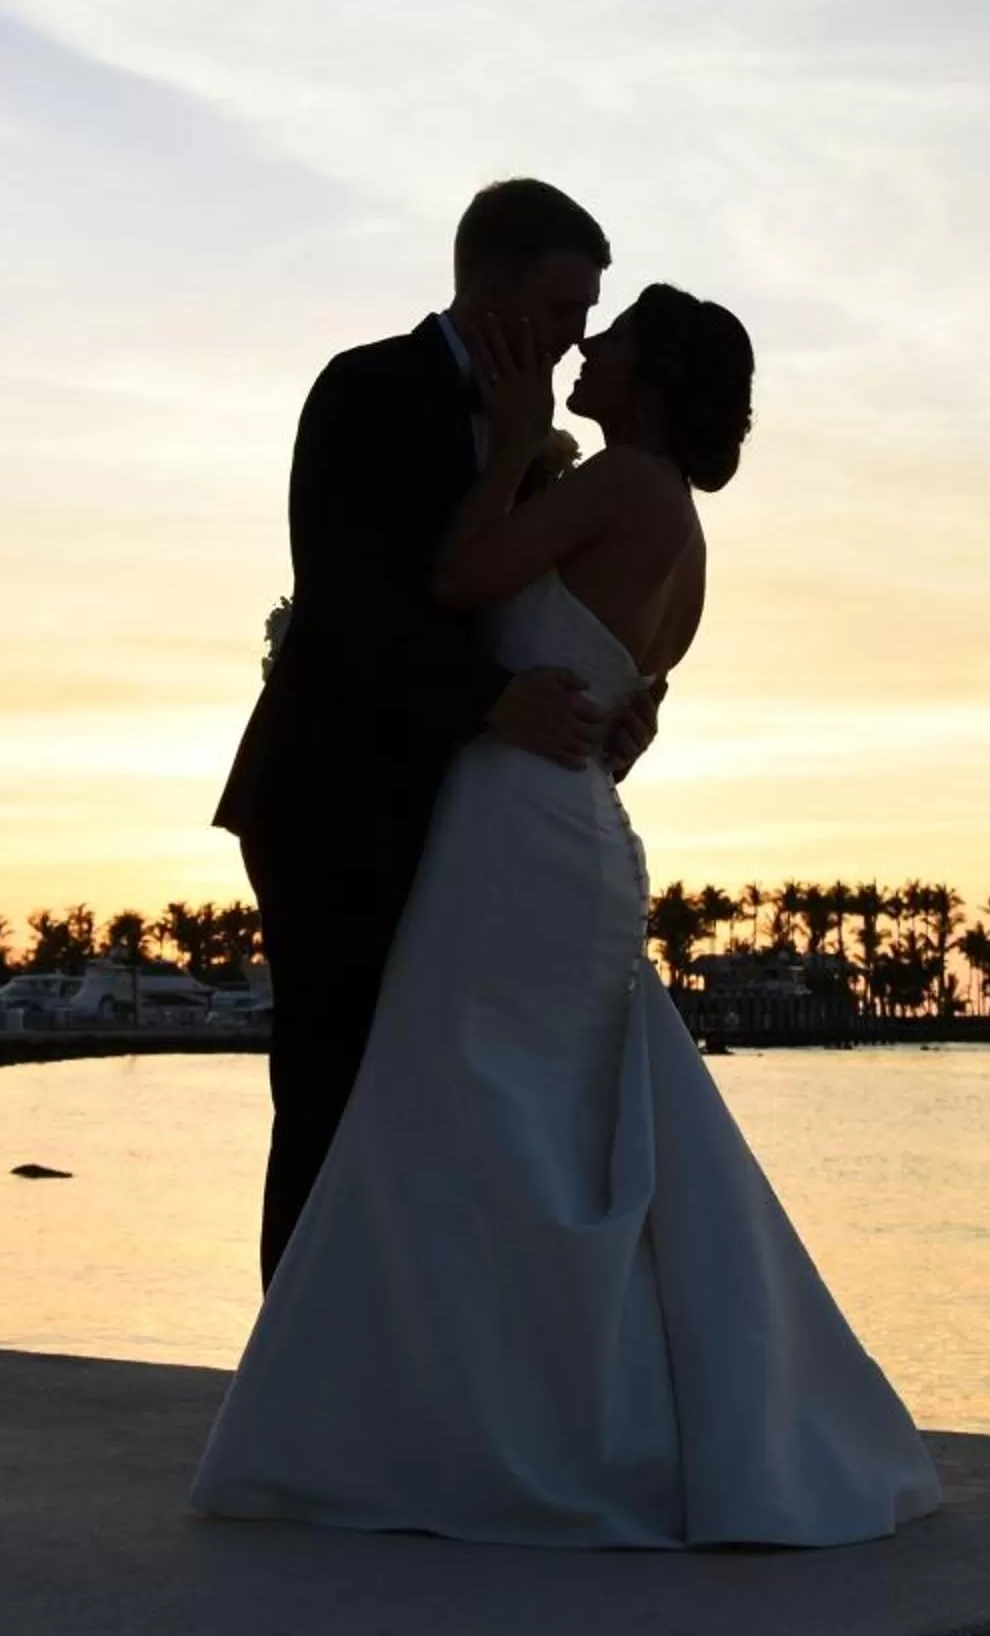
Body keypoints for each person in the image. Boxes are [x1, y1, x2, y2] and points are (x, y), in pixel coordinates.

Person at [193, 282, 942, 1548]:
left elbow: (458, 574)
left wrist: (518, 427)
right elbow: (621, 724)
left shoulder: (622, 481)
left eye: (613, 338)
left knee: (462, 1116)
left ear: (648, 380)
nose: (586, 349)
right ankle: (526, 1411)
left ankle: (487, 1431)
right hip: (576, 828)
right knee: (537, 1131)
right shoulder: (685, 539)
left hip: (510, 838)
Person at [215, 179, 656, 1287]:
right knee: (331, 1088)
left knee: (450, 1097)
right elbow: (348, 597)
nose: (577, 335)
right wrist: (485, 699)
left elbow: (544, 607)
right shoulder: (367, 390)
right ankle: (297, 1387)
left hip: (471, 815)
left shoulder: (541, 444)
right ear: (487, 283)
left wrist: (619, 689)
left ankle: (416, 1372)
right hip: (334, 797)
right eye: (563, 305)